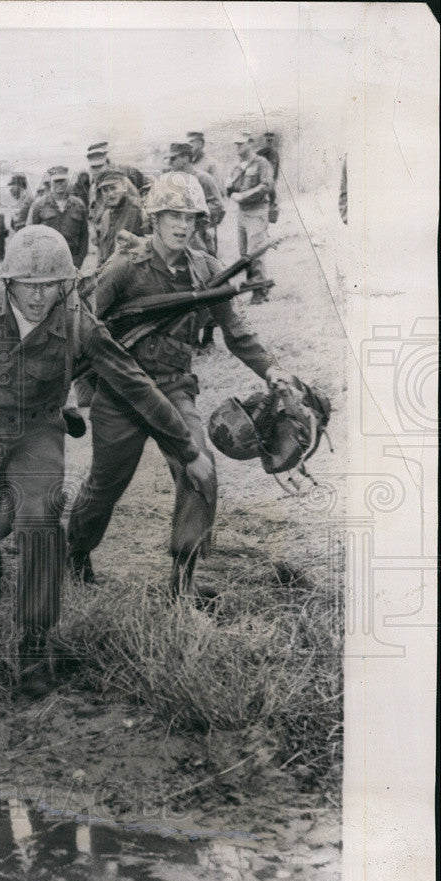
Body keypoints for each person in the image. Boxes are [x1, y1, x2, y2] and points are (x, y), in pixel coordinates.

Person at [0, 225, 216, 696]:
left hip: (38, 428)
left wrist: (188, 449)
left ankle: (33, 644)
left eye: (49, 284)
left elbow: (134, 382)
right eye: (27, 284)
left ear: (66, 284)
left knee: (39, 521)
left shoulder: (78, 321)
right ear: (7, 282)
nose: (37, 295)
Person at [67, 173, 297, 599]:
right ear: (154, 218)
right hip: (121, 394)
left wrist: (271, 370)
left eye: (189, 217)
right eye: (172, 215)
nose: (182, 225)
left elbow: (237, 331)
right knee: (105, 485)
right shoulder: (123, 269)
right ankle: (77, 551)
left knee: (200, 471)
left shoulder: (207, 270)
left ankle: (183, 580)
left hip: (175, 390)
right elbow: (81, 326)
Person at [226, 132, 275, 303]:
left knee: (256, 252)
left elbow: (266, 185)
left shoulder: (261, 162)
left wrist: (244, 195)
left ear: (250, 143)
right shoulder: (238, 166)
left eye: (241, 143)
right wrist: (231, 193)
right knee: (245, 254)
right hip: (242, 212)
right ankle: (259, 287)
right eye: (236, 144)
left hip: (257, 210)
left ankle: (259, 292)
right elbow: (230, 187)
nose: (238, 147)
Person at [167, 141, 225, 254]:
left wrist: (195, 213)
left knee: (205, 265)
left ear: (185, 158)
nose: (170, 163)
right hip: (181, 232)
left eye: (174, 158)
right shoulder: (174, 180)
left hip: (201, 232)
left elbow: (218, 205)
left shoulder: (203, 178)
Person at [27, 166, 89, 269]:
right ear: (51, 183)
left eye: (63, 181)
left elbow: (84, 236)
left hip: (72, 261)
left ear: (68, 182)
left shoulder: (79, 205)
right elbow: (30, 234)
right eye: (56, 181)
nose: (60, 184)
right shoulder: (39, 205)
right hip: (46, 261)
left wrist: (79, 260)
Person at [92, 165, 148, 267]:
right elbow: (102, 252)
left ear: (124, 187)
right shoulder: (106, 215)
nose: (110, 194)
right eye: (105, 190)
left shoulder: (137, 210)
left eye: (113, 188)